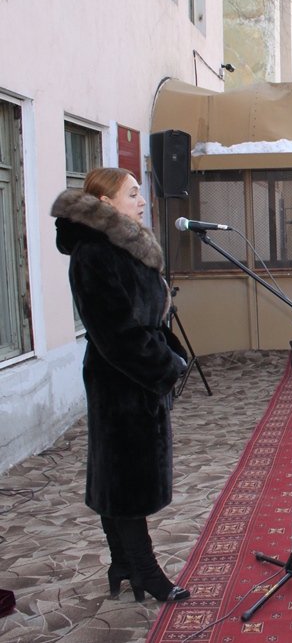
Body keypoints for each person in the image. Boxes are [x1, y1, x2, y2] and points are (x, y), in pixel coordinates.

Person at [51, 168, 190, 603]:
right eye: (132, 194)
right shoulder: (93, 252)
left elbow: (148, 318)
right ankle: (145, 571)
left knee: (119, 476)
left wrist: (171, 352)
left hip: (137, 379)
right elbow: (115, 331)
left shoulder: (124, 246)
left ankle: (123, 564)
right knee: (126, 480)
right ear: (106, 203)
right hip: (120, 382)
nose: (142, 200)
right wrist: (165, 365)